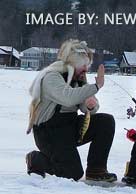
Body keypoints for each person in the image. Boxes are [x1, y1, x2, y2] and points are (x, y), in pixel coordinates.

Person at [25, 39, 117, 182]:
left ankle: (96, 170)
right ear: (73, 64)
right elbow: (68, 97)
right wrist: (96, 86)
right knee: (72, 173)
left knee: (105, 121)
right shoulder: (51, 77)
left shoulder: (78, 78)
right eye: (83, 65)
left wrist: (90, 106)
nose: (86, 69)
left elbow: (85, 105)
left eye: (87, 65)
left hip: (70, 127)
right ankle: (36, 159)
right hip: (50, 133)